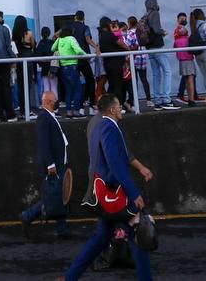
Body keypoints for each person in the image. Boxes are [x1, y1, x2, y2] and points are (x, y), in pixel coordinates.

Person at [63, 94, 152, 281]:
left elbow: (114, 157)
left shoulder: (98, 126)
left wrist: (140, 168)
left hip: (104, 193)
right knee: (138, 233)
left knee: (100, 239)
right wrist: (133, 193)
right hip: (114, 192)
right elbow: (115, 163)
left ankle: (70, 277)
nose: (121, 109)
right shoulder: (109, 128)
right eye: (119, 106)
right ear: (112, 109)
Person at [19, 90, 71, 240]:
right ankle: (28, 216)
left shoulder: (48, 117)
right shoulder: (44, 117)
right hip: (54, 164)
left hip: (58, 162)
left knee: (60, 195)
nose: (57, 103)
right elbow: (44, 143)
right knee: (54, 196)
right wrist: (50, 164)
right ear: (48, 102)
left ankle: (62, 228)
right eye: (55, 101)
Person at [142, 0, 176, 110]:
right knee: (167, 71)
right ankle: (166, 99)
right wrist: (163, 32)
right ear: (154, 4)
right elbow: (156, 29)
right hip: (157, 46)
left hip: (149, 48)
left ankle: (157, 101)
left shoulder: (146, 15)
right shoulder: (155, 13)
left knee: (156, 74)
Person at [99, 17, 132, 112]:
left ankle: (109, 106)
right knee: (117, 86)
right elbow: (120, 43)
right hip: (116, 64)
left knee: (112, 86)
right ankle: (118, 106)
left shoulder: (101, 35)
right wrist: (129, 49)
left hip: (108, 64)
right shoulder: (108, 35)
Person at [55, 27, 88, 118]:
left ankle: (69, 112)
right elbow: (78, 50)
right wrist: (86, 55)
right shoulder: (71, 38)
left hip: (63, 68)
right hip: (72, 67)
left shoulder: (59, 39)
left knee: (68, 91)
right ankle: (76, 112)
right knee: (78, 90)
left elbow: (52, 48)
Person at [70, 10, 98, 114]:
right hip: (84, 58)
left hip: (73, 59)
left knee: (77, 83)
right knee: (90, 80)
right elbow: (88, 39)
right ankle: (91, 107)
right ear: (83, 18)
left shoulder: (69, 27)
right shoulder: (85, 28)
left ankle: (79, 108)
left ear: (75, 17)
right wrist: (96, 47)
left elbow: (56, 35)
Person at [172, 13, 197, 105]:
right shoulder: (184, 35)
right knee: (190, 78)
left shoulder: (177, 39)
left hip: (182, 59)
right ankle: (191, 99)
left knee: (186, 78)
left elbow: (175, 46)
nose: (183, 20)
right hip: (188, 58)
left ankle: (189, 97)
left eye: (184, 18)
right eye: (181, 18)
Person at [130, 15, 152, 105]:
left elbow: (129, 44)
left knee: (134, 80)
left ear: (129, 23)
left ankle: (134, 101)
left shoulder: (131, 33)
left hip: (134, 57)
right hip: (143, 56)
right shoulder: (141, 30)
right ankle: (149, 100)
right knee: (144, 79)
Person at [35, 26, 58, 100]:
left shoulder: (40, 44)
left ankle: (47, 104)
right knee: (54, 86)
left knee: (46, 87)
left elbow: (37, 56)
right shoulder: (52, 43)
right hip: (53, 67)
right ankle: (55, 104)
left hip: (44, 67)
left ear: (41, 34)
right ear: (49, 33)